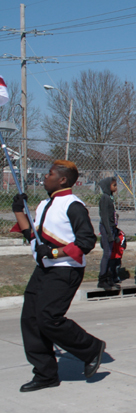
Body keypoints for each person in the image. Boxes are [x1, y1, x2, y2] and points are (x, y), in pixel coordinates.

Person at [11, 160, 106, 392]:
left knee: (48, 317)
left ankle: (91, 348)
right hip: (43, 269)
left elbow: (86, 241)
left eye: (50, 173)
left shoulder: (73, 205)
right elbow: (31, 234)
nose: (45, 176)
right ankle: (45, 375)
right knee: (31, 320)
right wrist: (18, 210)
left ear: (62, 180)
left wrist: (54, 252)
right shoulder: (44, 204)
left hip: (66, 269)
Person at [97, 176, 118, 290]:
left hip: (111, 228)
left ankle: (109, 278)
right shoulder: (105, 198)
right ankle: (102, 279)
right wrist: (109, 234)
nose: (116, 187)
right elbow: (104, 217)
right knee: (107, 253)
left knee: (110, 254)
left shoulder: (109, 198)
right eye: (114, 185)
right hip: (106, 228)